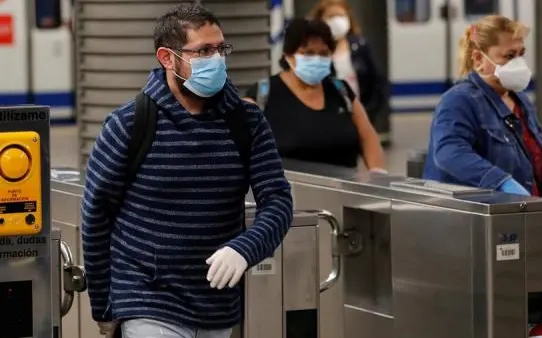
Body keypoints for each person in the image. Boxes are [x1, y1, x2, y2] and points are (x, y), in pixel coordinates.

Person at [81, 4, 293, 338]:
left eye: (221, 48)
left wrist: (245, 247)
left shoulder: (247, 123)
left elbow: (278, 201)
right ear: (167, 58)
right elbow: (96, 217)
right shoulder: (129, 124)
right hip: (147, 301)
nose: (218, 59)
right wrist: (102, 306)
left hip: (216, 306)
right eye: (204, 51)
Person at [422, 15, 542, 197]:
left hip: (524, 213)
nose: (518, 63)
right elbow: (449, 153)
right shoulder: (459, 100)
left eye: (521, 54)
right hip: (480, 218)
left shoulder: (521, 101)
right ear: (478, 60)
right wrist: (500, 182)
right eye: (509, 56)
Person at [244, 18, 385, 171]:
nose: (317, 59)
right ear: (288, 55)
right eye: (308, 53)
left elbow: (368, 136)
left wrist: (377, 173)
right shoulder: (263, 95)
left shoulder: (341, 92)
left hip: (343, 191)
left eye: (324, 53)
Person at [309, 0, 388, 132]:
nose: (337, 21)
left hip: (359, 119)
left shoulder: (360, 46)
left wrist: (368, 113)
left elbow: (377, 82)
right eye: (331, 16)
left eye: (341, 16)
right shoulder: (313, 52)